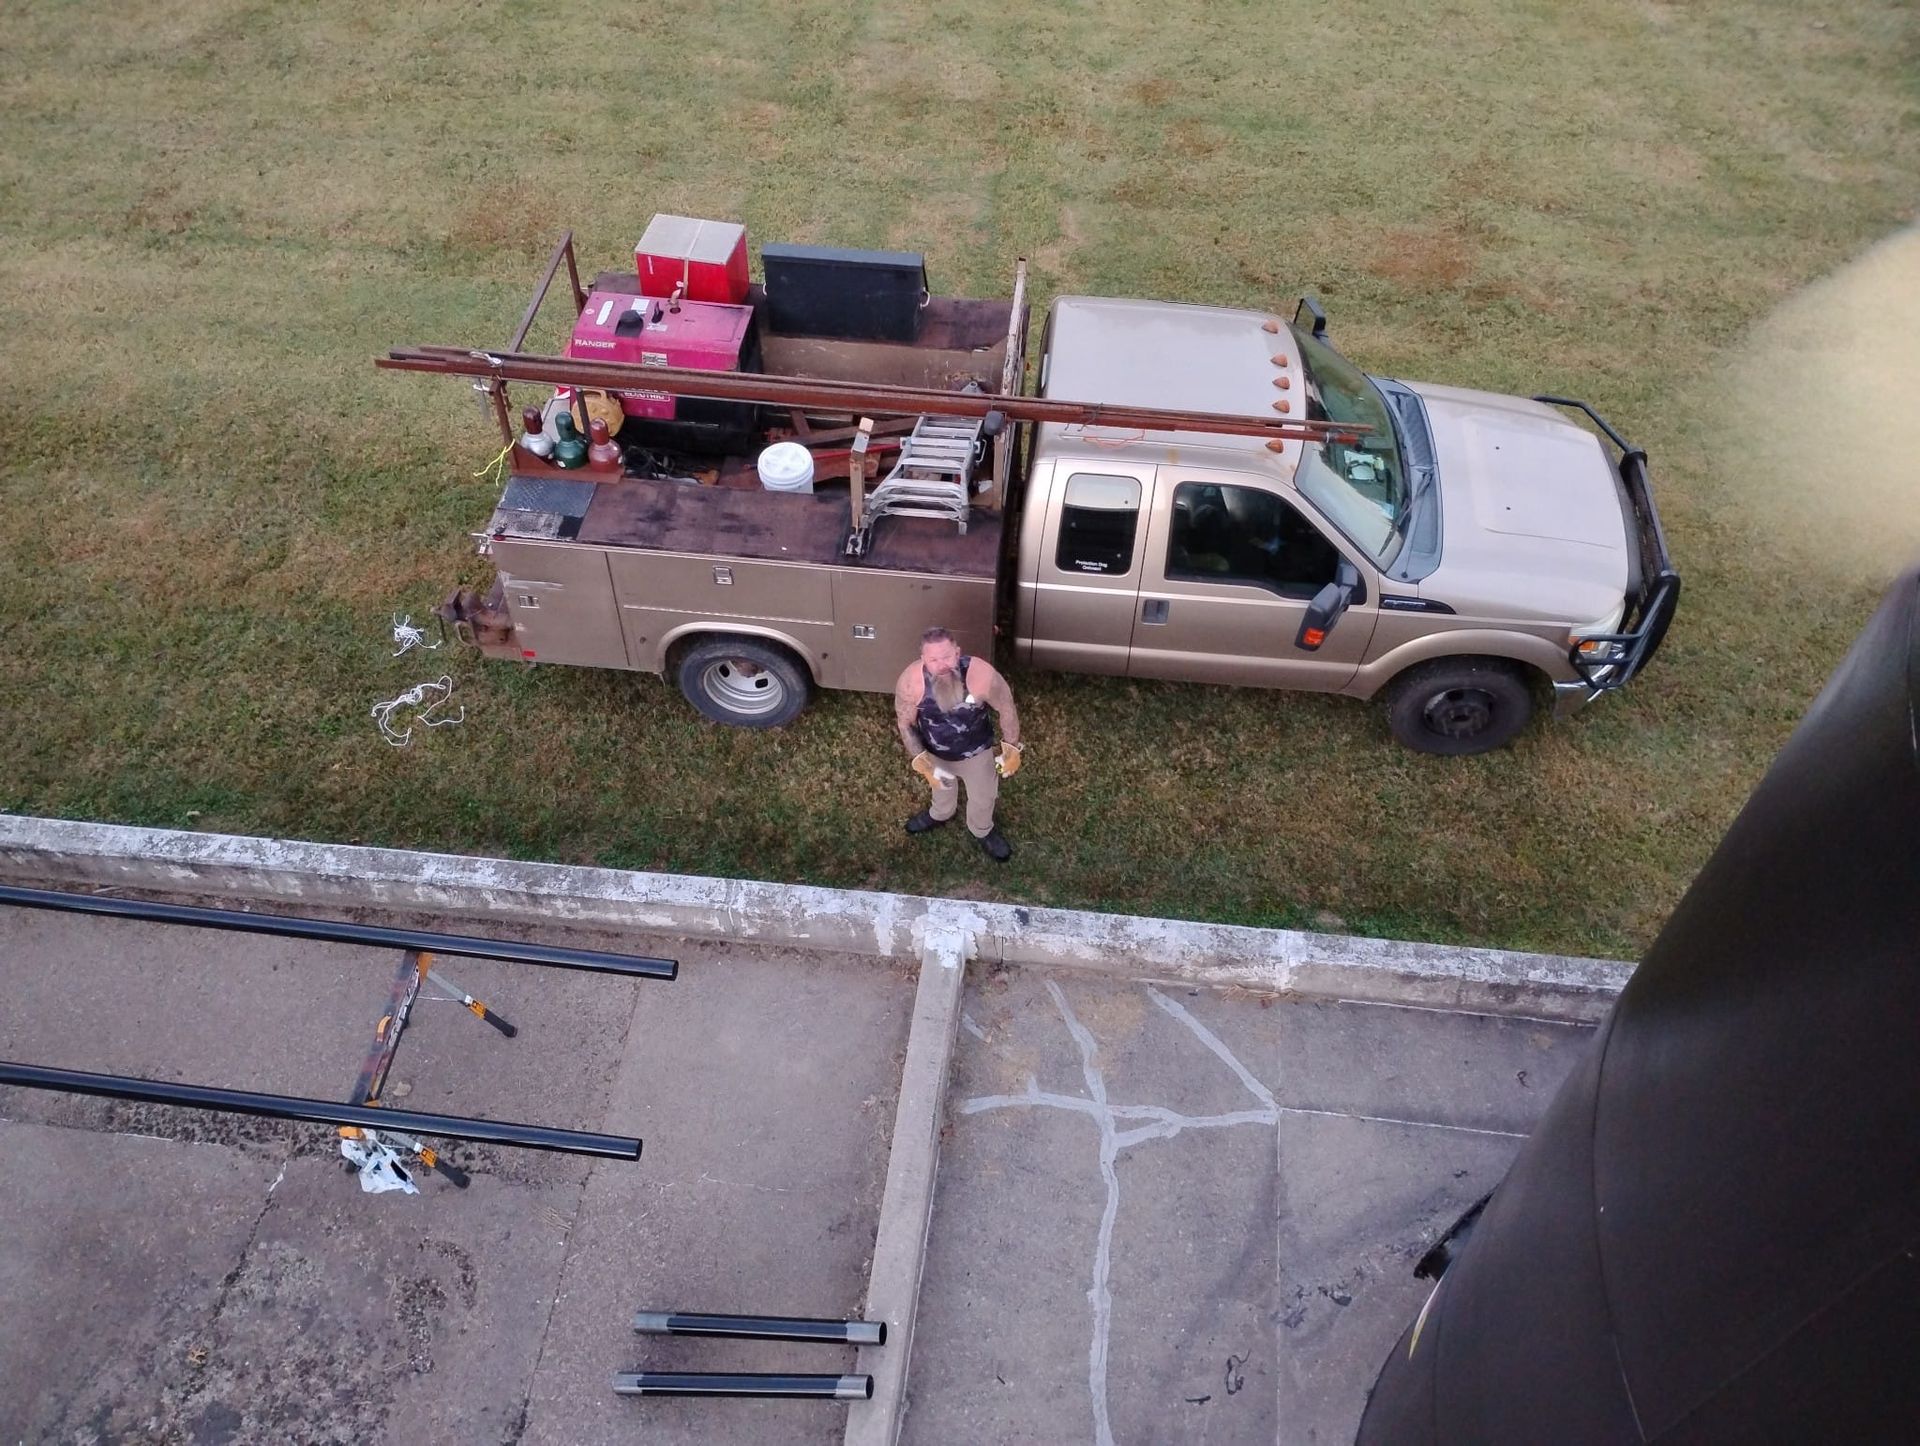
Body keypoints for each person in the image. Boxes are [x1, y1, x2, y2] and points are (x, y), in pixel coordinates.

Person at [894, 627, 1023, 862]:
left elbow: (1006, 706)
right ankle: (941, 813)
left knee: (984, 797)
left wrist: (1011, 749)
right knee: (941, 789)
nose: (941, 665)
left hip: (977, 753)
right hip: (935, 753)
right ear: (923, 660)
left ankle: (982, 829)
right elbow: (905, 723)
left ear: (957, 653)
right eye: (933, 659)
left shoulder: (981, 675)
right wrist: (922, 762)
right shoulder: (911, 682)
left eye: (946, 657)